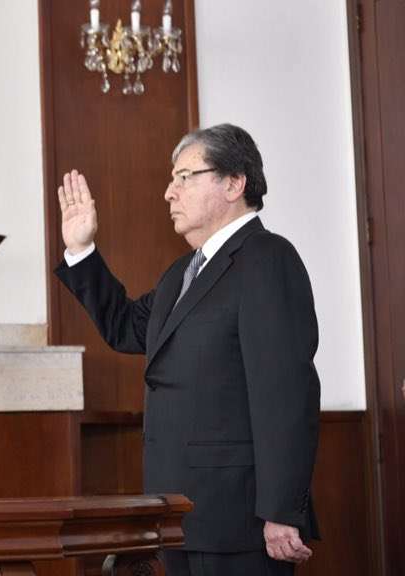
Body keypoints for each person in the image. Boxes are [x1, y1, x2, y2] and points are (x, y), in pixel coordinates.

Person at [54, 124, 320, 575]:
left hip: (241, 521)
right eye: (171, 178)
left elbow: (285, 395)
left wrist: (280, 511)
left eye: (184, 177)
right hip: (180, 514)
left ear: (234, 183)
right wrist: (81, 250)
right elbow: (125, 328)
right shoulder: (181, 272)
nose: (168, 192)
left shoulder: (268, 259)